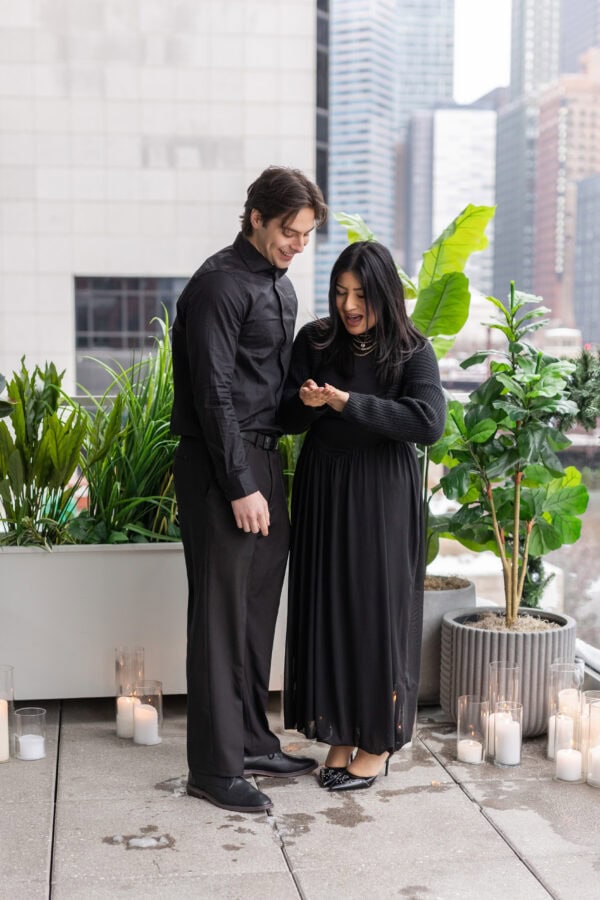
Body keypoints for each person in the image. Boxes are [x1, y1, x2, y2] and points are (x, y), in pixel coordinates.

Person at [170, 166, 327, 813]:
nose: (297, 244)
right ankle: (213, 767)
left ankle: (252, 739)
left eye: (307, 235)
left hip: (264, 463)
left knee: (256, 613)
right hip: (219, 470)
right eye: (289, 231)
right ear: (256, 216)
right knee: (218, 619)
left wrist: (309, 405)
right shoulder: (218, 285)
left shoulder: (279, 288)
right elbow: (214, 394)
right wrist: (239, 484)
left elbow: (267, 392)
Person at [280, 240, 446, 790]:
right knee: (327, 606)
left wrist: (347, 402)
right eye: (340, 292)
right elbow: (284, 415)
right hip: (323, 486)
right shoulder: (317, 340)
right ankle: (338, 732)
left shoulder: (411, 350)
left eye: (361, 295)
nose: (349, 305)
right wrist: (303, 403)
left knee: (375, 612)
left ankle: (377, 740)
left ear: (385, 294)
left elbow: (427, 422)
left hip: (381, 494)